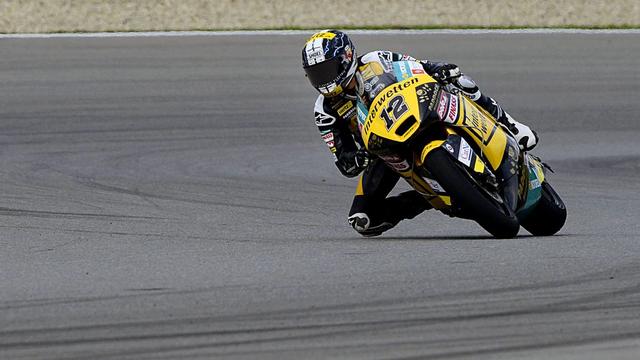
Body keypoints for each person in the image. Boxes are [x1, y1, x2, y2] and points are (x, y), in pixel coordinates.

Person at [301, 30, 538, 237]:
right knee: (363, 219)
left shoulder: (376, 61)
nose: (323, 80)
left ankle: (510, 125)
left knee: (460, 80)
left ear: (346, 58)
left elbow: (420, 66)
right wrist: (358, 159)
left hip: (421, 113)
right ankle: (428, 198)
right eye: (315, 74)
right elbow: (344, 161)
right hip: (384, 150)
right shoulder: (325, 110)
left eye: (326, 70)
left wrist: (440, 70)